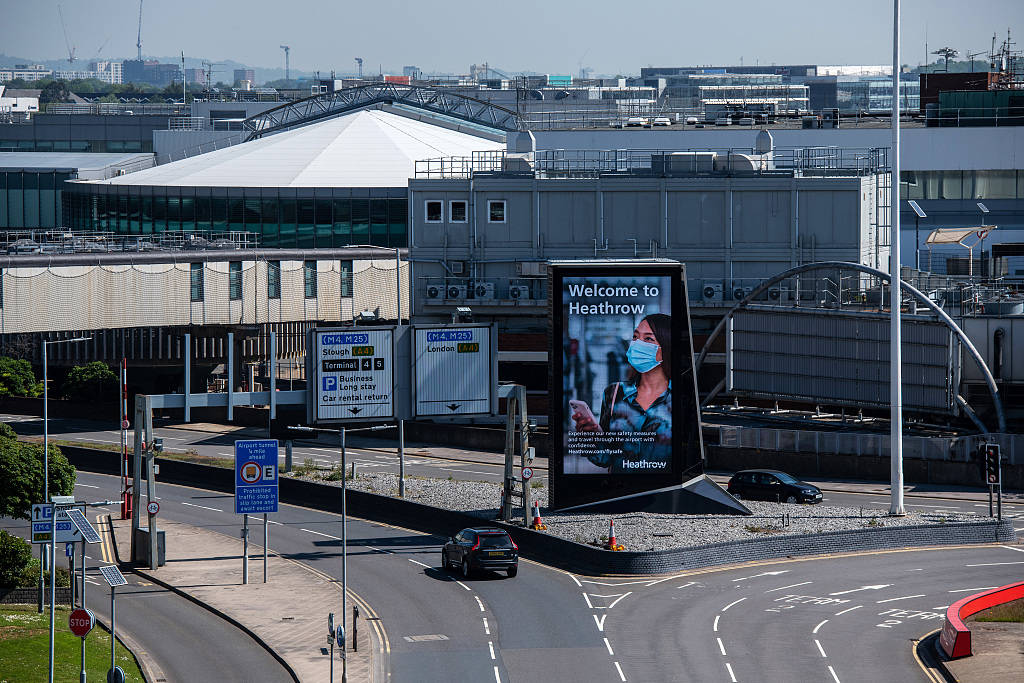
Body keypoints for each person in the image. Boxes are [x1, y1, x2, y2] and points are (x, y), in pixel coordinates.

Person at [571, 313, 672, 472]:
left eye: (648, 339)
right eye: (635, 337)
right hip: (620, 490)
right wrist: (590, 437)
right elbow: (605, 458)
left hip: (662, 492)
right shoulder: (614, 393)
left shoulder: (679, 397)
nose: (637, 344)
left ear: (665, 348)